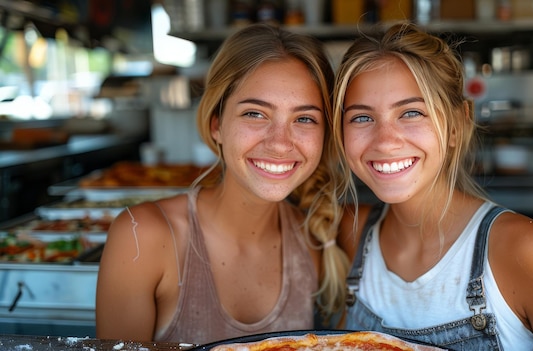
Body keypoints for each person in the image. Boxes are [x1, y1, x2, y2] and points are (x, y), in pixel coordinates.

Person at [332, 22, 533, 350]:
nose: (386, 141)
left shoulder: (531, 254)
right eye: (362, 118)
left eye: (411, 112)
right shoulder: (350, 233)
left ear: (456, 125)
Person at [96, 23, 349, 344]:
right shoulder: (142, 237)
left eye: (304, 119)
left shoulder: (315, 242)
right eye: (255, 114)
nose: (280, 143)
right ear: (216, 124)